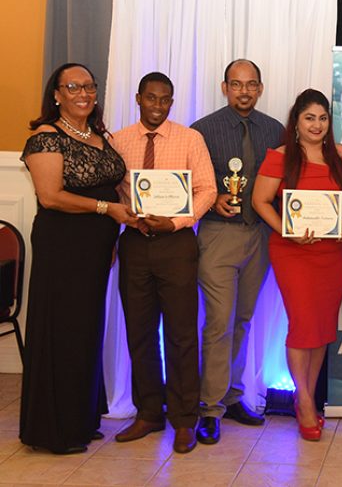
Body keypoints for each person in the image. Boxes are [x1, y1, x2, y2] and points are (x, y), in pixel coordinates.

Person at [19, 63, 135, 454]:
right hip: (63, 245)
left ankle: (82, 418)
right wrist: (108, 210)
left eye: (89, 86)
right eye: (73, 87)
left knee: (86, 330)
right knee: (62, 330)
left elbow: (116, 184)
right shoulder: (46, 137)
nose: (83, 93)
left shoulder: (98, 133)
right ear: (56, 94)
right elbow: (51, 196)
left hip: (97, 246)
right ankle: (55, 429)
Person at [112, 72, 216, 454]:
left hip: (176, 244)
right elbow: (112, 192)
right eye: (151, 98)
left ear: (172, 102)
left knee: (182, 334)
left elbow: (207, 189)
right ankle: (149, 412)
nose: (157, 106)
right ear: (138, 98)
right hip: (135, 244)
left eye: (165, 100)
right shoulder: (118, 141)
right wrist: (127, 216)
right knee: (139, 332)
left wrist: (175, 221)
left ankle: (185, 419)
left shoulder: (190, 139)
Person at [252, 89, 342, 441]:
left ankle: (304, 396)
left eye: (323, 118)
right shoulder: (279, 157)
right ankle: (307, 401)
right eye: (309, 117)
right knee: (302, 324)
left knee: (322, 327)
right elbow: (260, 201)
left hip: (332, 254)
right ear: (295, 121)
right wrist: (287, 231)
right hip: (292, 252)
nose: (317, 124)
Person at [191, 59, 284, 445]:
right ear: (224, 87)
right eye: (236, 84)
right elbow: (194, 181)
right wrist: (213, 203)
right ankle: (208, 408)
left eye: (251, 85)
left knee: (243, 319)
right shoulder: (202, 130)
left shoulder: (276, 130)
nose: (243, 91)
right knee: (219, 322)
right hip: (218, 235)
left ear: (260, 88)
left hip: (260, 235)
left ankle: (231, 397)